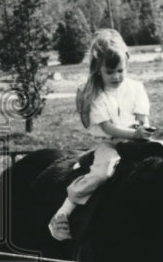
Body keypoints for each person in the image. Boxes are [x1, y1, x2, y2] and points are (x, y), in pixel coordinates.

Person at [48, 29, 151, 241]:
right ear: (98, 70)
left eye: (120, 71)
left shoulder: (136, 88)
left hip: (137, 142)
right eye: (110, 72)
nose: (116, 76)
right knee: (103, 173)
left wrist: (145, 129)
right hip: (111, 144)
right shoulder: (96, 95)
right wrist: (135, 134)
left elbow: (143, 117)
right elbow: (108, 128)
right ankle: (63, 211)